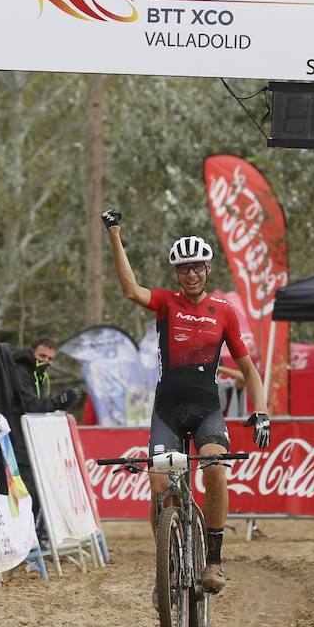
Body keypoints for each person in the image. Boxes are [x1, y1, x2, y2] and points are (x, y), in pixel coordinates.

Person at [102, 207, 270, 593]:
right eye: (183, 268)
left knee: (214, 469)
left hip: (206, 409)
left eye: (197, 267)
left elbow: (249, 371)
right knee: (159, 483)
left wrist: (260, 412)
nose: (190, 274)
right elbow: (130, 290)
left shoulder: (224, 312)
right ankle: (169, 561)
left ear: (208, 269)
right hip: (168, 411)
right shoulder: (165, 303)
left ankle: (213, 561)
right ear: (176, 274)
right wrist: (115, 235)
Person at [13, 337, 83, 413]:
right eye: (42, 356)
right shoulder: (20, 370)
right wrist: (59, 400)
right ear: (32, 352)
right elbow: (29, 405)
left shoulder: (42, 375)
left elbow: (43, 404)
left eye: (50, 359)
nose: (46, 361)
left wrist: (65, 402)